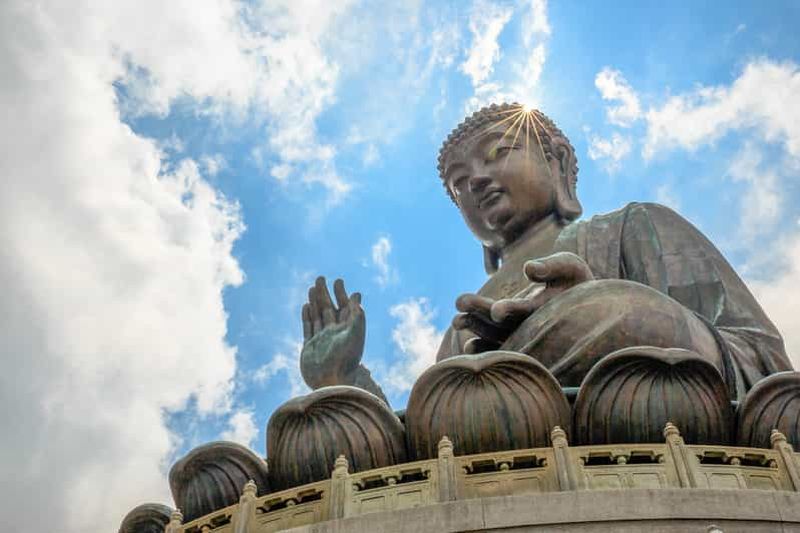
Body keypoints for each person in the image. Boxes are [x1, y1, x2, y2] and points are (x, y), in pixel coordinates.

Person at [300, 103, 791, 404]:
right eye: (458, 183)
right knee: (459, 387)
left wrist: (609, 310)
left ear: (554, 160)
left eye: (497, 152)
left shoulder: (633, 226)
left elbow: (763, 362)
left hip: (656, 414)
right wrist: (340, 379)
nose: (474, 180)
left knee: (607, 311)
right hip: (500, 442)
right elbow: (433, 440)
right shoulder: (463, 325)